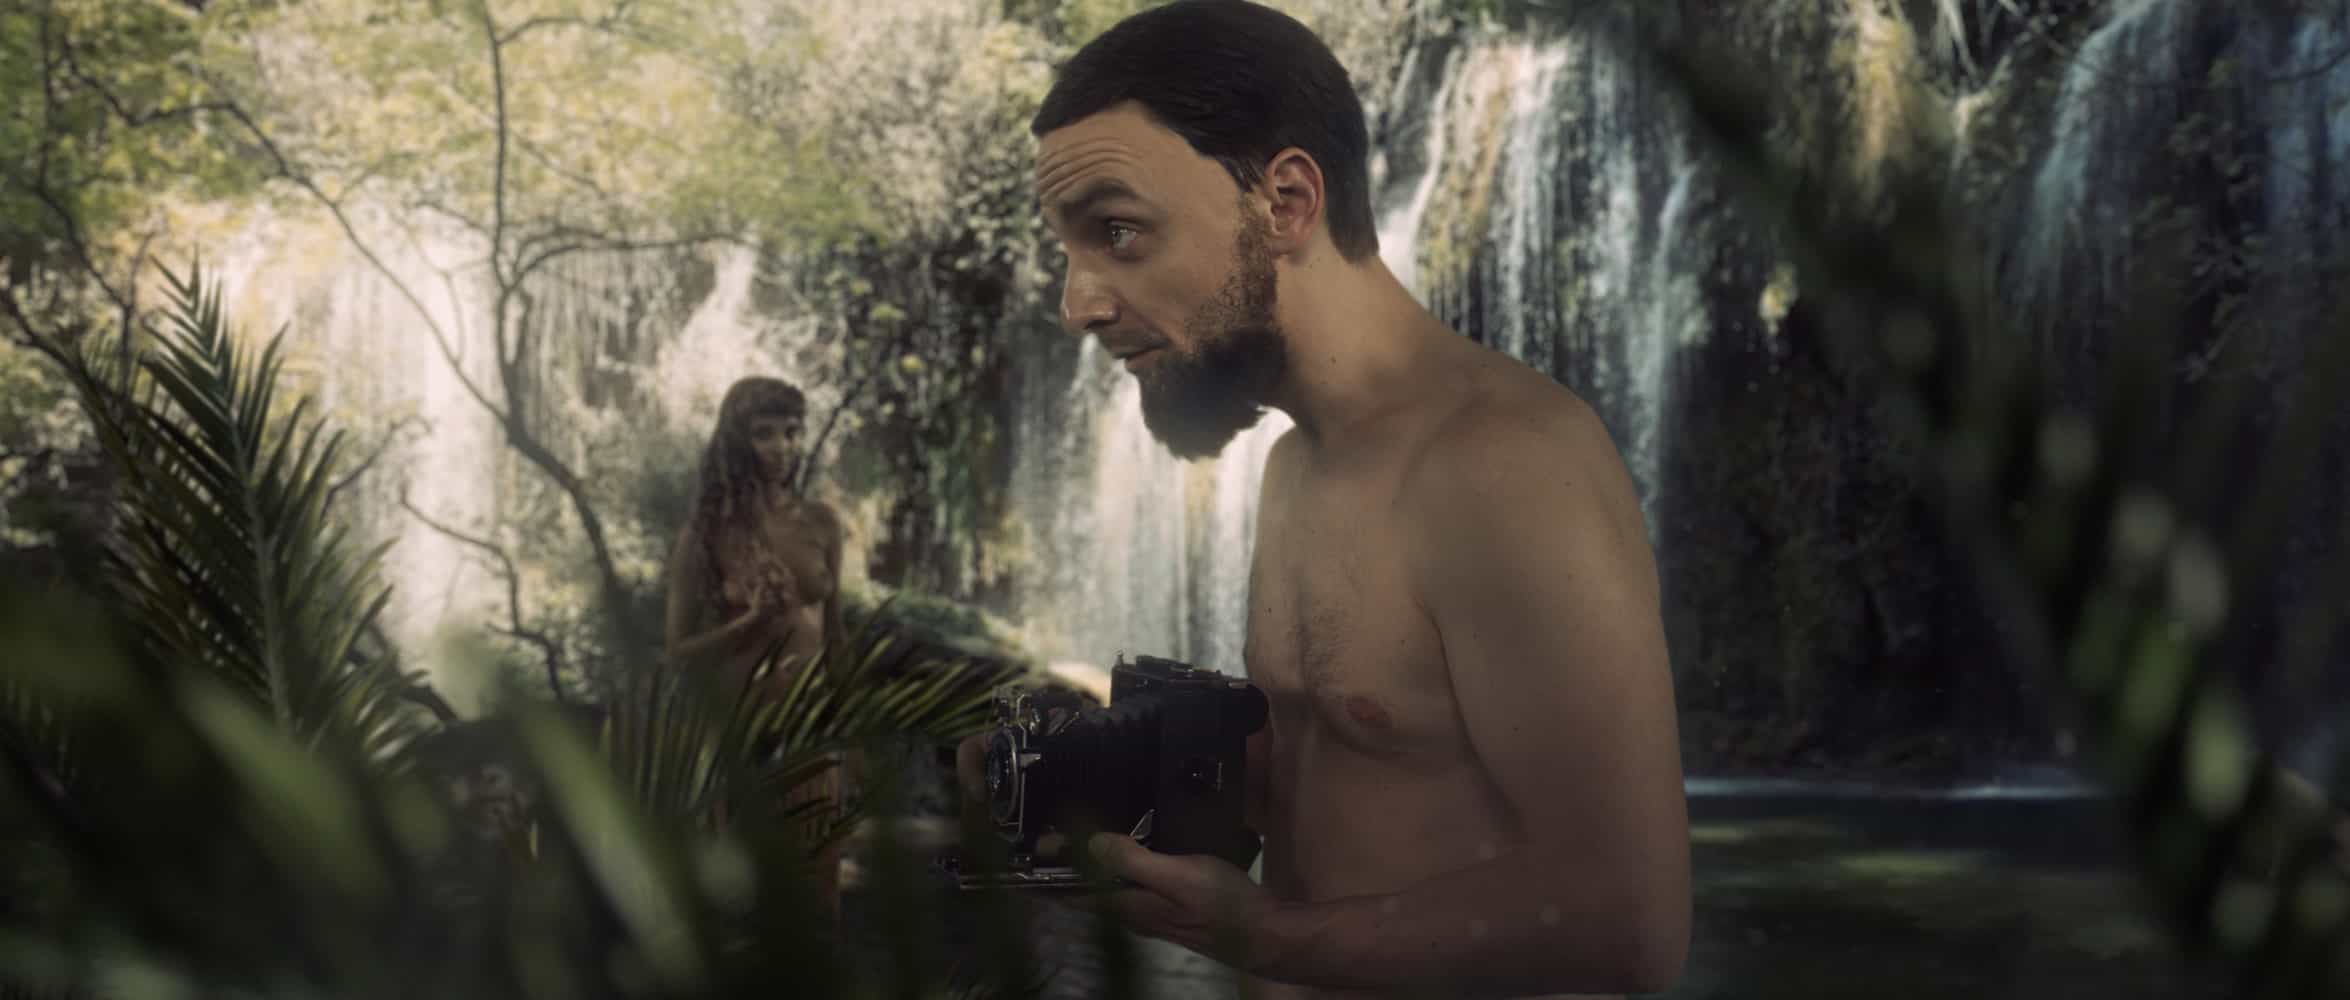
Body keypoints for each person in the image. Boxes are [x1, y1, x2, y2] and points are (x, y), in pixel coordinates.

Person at [958, 2, 1690, 997]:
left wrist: (1265, 938)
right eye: (1071, 251)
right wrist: (1071, 773)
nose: (1076, 302)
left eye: (1118, 232)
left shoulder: (1506, 466)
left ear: (1287, 202)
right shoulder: (1293, 464)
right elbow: (1345, 770)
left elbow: (1632, 926)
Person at [666, 375, 854, 917]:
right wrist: (748, 623)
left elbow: (836, 634)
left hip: (809, 728)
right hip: (737, 730)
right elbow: (677, 650)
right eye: (764, 433)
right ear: (736, 441)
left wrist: (855, 726)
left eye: (792, 432)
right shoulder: (706, 534)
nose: (782, 447)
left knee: (818, 890)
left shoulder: (821, 522)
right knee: (738, 900)